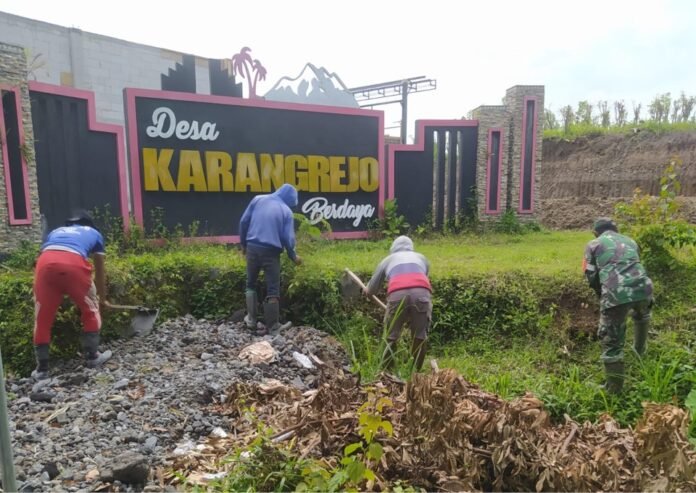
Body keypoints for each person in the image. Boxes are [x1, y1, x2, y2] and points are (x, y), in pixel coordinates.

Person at [32, 210, 113, 380]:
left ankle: (42, 370)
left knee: (42, 318)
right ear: (89, 224)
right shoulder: (94, 233)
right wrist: (102, 298)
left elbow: (41, 258)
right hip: (73, 263)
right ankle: (92, 357)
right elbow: (100, 270)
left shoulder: (56, 231)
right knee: (91, 310)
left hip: (45, 264)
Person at [583, 217, 653, 394]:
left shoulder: (593, 244)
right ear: (616, 229)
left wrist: (601, 294)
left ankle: (613, 390)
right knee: (642, 315)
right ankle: (639, 352)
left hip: (616, 292)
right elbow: (634, 263)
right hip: (644, 288)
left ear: (595, 232)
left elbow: (591, 275)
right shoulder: (631, 241)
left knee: (612, 341)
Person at [239, 183, 302, 334]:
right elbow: (287, 238)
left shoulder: (258, 199)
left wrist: (243, 245)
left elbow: (244, 222)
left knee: (250, 283)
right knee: (273, 288)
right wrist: (293, 256)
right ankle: (273, 326)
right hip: (271, 252)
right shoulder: (286, 211)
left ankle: (251, 320)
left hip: (252, 247)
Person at [364, 236, 432, 371]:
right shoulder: (422, 258)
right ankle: (416, 372)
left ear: (393, 249)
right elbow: (421, 278)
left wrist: (367, 291)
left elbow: (371, 290)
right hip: (422, 293)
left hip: (397, 293)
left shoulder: (387, 260)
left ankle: (387, 373)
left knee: (391, 336)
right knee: (419, 335)